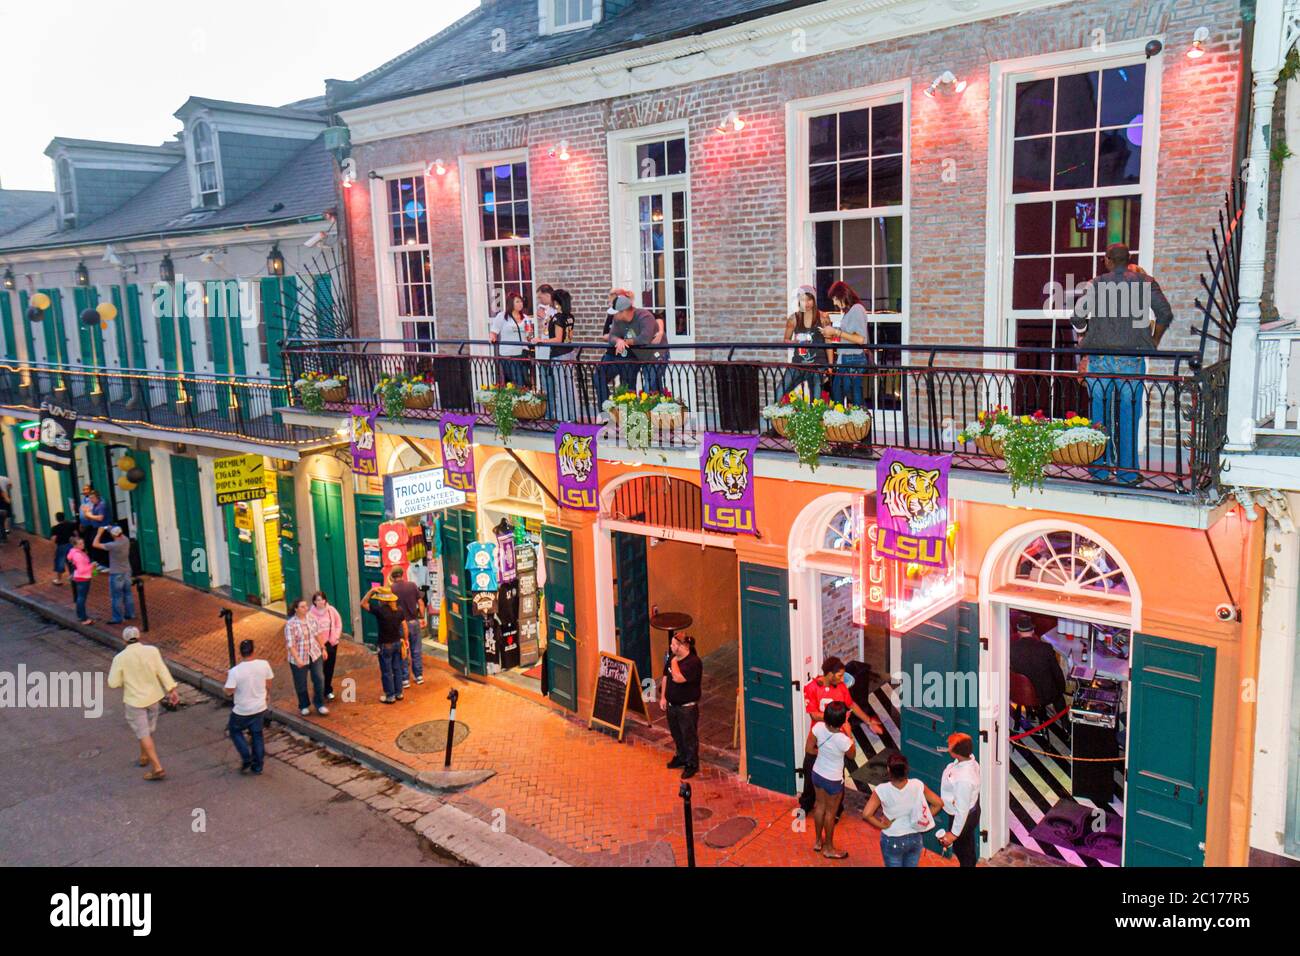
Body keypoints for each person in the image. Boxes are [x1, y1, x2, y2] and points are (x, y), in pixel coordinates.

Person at [1071, 242, 1174, 481]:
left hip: (1100, 359)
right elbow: (1165, 314)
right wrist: (1153, 340)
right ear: (1128, 260)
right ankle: (1127, 473)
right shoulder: (1145, 282)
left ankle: (1099, 469)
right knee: (1129, 413)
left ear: (1107, 260)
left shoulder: (1096, 284)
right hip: (1131, 359)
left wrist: (1084, 334)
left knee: (1099, 415)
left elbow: (1077, 316)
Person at [799, 656, 884, 814]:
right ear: (829, 674)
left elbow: (851, 704)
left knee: (839, 773)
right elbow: (813, 714)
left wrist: (868, 721)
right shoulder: (810, 688)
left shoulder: (842, 687)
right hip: (818, 737)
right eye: (839, 676)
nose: (841, 679)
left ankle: (837, 809)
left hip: (839, 737)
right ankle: (806, 804)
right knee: (809, 769)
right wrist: (836, 717)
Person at [107, 626, 180, 781]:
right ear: (139, 637)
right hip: (154, 698)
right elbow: (162, 670)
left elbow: (113, 683)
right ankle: (144, 755)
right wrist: (172, 689)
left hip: (135, 700)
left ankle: (157, 767)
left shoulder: (120, 658)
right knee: (148, 730)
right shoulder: (152, 651)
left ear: (124, 640)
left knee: (143, 732)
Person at [862, 751, 945, 867]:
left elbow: (866, 814)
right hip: (915, 837)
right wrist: (924, 817)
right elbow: (938, 803)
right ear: (906, 769)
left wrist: (883, 826)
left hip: (892, 838)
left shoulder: (881, 790)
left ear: (889, 770)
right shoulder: (917, 785)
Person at [806, 700, 856, 859]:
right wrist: (849, 732)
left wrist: (822, 753)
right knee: (830, 812)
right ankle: (829, 847)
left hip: (817, 773)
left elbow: (809, 749)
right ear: (842, 721)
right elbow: (852, 755)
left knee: (819, 807)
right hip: (833, 779)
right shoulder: (843, 740)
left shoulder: (818, 728)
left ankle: (817, 841)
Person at [600, 294, 665, 402]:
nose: (613, 317)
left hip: (657, 354)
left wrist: (624, 341)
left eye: (616, 313)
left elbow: (645, 338)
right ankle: (655, 413)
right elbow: (611, 336)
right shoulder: (618, 320)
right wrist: (618, 340)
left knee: (650, 388)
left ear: (623, 311)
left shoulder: (643, 316)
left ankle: (656, 415)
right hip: (642, 356)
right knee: (651, 388)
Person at [223, 639, 274, 775]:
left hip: (242, 710)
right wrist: (267, 694)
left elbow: (229, 690)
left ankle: (246, 756)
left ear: (241, 653)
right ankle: (258, 766)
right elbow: (269, 682)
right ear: (254, 651)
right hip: (259, 707)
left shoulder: (235, 671)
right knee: (257, 735)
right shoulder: (264, 665)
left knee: (234, 731)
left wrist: (226, 685)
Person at [658, 632, 703, 779]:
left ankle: (691, 764)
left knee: (689, 736)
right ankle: (681, 756)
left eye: (673, 645)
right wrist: (663, 697)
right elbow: (666, 677)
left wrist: (673, 662)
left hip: (687, 708)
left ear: (682, 646)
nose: (671, 647)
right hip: (672, 705)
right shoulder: (673, 658)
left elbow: (677, 678)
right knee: (676, 734)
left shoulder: (694, 662)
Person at [824, 280, 873, 407]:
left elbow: (861, 339)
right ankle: (852, 424)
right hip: (847, 358)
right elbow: (850, 336)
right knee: (844, 396)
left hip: (853, 358)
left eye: (835, 299)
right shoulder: (850, 311)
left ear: (842, 295)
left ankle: (858, 425)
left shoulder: (857, 309)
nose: (834, 303)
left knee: (850, 397)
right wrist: (834, 334)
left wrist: (836, 332)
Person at [1009, 617, 1068, 723]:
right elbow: (1057, 673)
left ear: (1018, 632)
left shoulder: (1010, 648)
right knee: (1058, 695)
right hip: (1043, 695)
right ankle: (1066, 725)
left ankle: (1029, 712)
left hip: (1020, 693)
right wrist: (1062, 689)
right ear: (1032, 630)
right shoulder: (1046, 648)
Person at [939, 732, 982, 867]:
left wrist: (953, 833)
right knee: (967, 847)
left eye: (949, 746)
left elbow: (962, 810)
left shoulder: (964, 779)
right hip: (970, 812)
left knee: (962, 851)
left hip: (964, 817)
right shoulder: (970, 761)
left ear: (955, 753)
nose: (947, 746)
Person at [534, 287, 576, 419]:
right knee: (570, 386)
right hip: (569, 352)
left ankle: (562, 417)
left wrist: (540, 340)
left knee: (561, 388)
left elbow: (557, 339)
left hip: (559, 354)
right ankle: (572, 415)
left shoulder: (558, 317)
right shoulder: (569, 316)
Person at [361, 584, 407, 703]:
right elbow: (404, 626)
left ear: (382, 600)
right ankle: (399, 693)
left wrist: (371, 591)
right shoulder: (399, 610)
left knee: (387, 671)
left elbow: (363, 603)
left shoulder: (380, 611)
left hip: (385, 645)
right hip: (397, 643)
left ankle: (390, 696)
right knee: (397, 669)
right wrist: (405, 640)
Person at [782, 285, 831, 398]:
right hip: (798, 363)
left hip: (818, 364)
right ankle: (769, 415)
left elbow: (829, 342)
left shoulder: (823, 317)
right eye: (803, 300)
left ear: (814, 300)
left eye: (809, 299)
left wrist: (830, 365)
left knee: (816, 401)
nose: (807, 303)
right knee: (780, 391)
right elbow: (786, 340)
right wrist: (796, 341)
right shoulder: (793, 318)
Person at [284, 597, 328, 716]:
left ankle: (319, 703)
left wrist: (323, 648)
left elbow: (317, 634)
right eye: (302, 607)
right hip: (299, 656)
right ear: (296, 609)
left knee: (319, 678)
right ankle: (304, 704)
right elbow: (290, 644)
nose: (306, 608)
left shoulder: (311, 618)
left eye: (306, 606)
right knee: (301, 682)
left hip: (314, 653)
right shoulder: (291, 624)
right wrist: (297, 659)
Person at [389, 566, 426, 686]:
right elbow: (420, 603)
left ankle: (405, 679)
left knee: (403, 650)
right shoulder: (412, 585)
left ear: (392, 577)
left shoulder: (391, 589)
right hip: (414, 622)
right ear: (403, 574)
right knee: (416, 650)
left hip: (400, 624)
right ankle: (419, 676)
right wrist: (421, 617)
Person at [489, 292, 534, 389]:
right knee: (514, 381)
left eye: (521, 302)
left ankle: (523, 401)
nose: (520, 304)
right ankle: (517, 401)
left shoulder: (525, 318)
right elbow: (493, 331)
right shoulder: (502, 316)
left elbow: (529, 335)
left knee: (524, 381)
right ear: (511, 303)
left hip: (523, 353)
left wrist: (531, 337)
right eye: (517, 302)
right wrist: (493, 337)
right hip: (508, 354)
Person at [93, 524, 136, 625]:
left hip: (116, 573)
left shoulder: (113, 545)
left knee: (116, 597)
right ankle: (130, 613)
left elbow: (95, 544)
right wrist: (108, 527)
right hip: (127, 571)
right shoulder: (125, 540)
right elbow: (115, 531)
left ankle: (117, 618)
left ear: (113, 535)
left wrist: (99, 533)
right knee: (128, 594)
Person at [308, 591, 343, 700]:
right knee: (318, 669)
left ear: (325, 600)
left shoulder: (331, 610)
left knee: (329, 668)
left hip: (330, 643)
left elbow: (338, 623)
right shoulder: (310, 614)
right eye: (317, 600)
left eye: (322, 599)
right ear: (314, 601)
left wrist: (335, 637)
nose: (320, 602)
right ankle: (319, 690)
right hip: (317, 645)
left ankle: (327, 689)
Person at [67, 534, 95, 624]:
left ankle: (80, 615)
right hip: (83, 578)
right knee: (81, 598)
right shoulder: (78, 555)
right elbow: (82, 570)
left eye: (82, 543)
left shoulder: (74, 553)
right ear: (75, 545)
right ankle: (83, 618)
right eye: (80, 544)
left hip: (79, 577)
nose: (82, 545)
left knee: (80, 597)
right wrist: (92, 566)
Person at [80, 488, 109, 568]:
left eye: (92, 498)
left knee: (101, 546)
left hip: (102, 529)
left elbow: (100, 518)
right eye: (90, 498)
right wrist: (86, 512)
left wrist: (89, 515)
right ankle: (99, 562)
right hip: (95, 528)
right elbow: (89, 517)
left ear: (97, 497)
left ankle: (106, 564)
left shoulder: (101, 505)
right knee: (93, 545)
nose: (91, 500)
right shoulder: (94, 505)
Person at [49, 511, 78, 585]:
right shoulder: (70, 525)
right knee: (71, 561)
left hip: (61, 546)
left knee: (60, 562)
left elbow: (53, 539)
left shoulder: (55, 528)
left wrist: (54, 549)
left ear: (56, 519)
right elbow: (76, 534)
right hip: (70, 545)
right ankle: (73, 576)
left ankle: (59, 579)